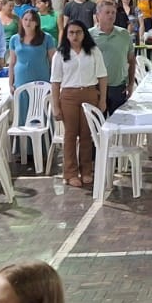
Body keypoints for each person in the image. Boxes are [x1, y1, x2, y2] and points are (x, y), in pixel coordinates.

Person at [51, 21, 106, 189]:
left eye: (78, 32)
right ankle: (70, 173)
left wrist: (102, 99)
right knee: (70, 134)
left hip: (89, 94)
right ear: (66, 35)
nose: (75, 36)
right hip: (68, 96)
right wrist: (56, 106)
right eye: (71, 33)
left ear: (84, 34)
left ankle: (87, 171)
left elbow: (103, 77)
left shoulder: (94, 51)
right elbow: (55, 82)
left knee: (87, 134)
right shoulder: (60, 54)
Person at [90, 0, 136, 115]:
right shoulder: (89, 36)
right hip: (96, 87)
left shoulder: (124, 34)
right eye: (107, 12)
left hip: (118, 87)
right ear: (98, 15)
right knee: (99, 125)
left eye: (113, 13)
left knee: (119, 124)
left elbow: (131, 60)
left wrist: (130, 84)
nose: (111, 15)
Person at [8, 9, 55, 91]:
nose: (28, 23)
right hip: (21, 79)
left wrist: (53, 82)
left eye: (31, 20)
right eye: (25, 19)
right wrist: (10, 83)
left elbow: (53, 61)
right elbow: (12, 63)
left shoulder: (47, 38)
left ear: (36, 22)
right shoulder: (14, 39)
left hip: (41, 78)